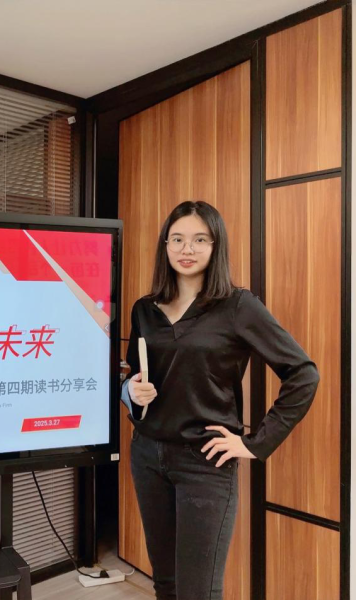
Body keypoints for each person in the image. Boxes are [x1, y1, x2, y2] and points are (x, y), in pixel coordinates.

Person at [120, 200, 319, 600]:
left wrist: (254, 443)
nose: (186, 249)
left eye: (199, 240)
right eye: (177, 239)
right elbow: (133, 376)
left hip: (205, 462)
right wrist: (130, 393)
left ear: (216, 246)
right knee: (166, 584)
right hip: (147, 454)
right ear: (165, 245)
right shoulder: (145, 309)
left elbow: (303, 374)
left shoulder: (237, 306)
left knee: (198, 591)